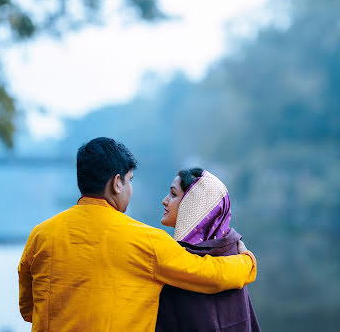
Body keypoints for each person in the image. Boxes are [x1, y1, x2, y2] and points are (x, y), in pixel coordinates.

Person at [18, 138, 257, 332]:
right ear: (117, 183)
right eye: (130, 180)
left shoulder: (41, 235)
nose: (130, 188)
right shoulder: (146, 241)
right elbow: (209, 275)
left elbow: (28, 310)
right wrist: (247, 261)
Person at [156, 168, 261, 332]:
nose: (165, 200)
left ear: (193, 204)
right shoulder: (234, 251)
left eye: (173, 194)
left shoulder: (172, 258)